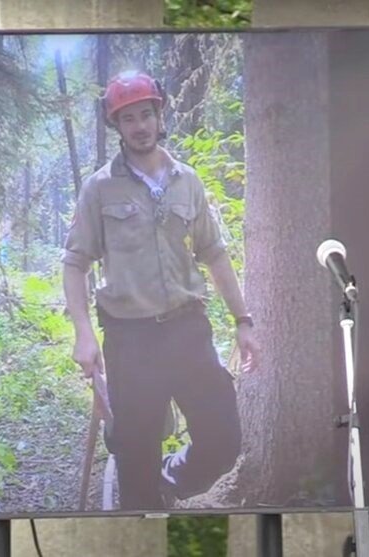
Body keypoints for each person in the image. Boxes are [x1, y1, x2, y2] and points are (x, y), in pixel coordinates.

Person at [61, 70, 261, 511]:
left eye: (145, 114)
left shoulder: (186, 180)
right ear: (117, 126)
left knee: (224, 441)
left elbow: (215, 253)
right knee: (136, 464)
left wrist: (243, 321)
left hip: (189, 330)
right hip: (130, 340)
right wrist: (83, 333)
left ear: (159, 114)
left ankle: (170, 478)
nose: (139, 125)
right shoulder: (99, 188)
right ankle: (142, 492)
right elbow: (75, 263)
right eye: (128, 118)